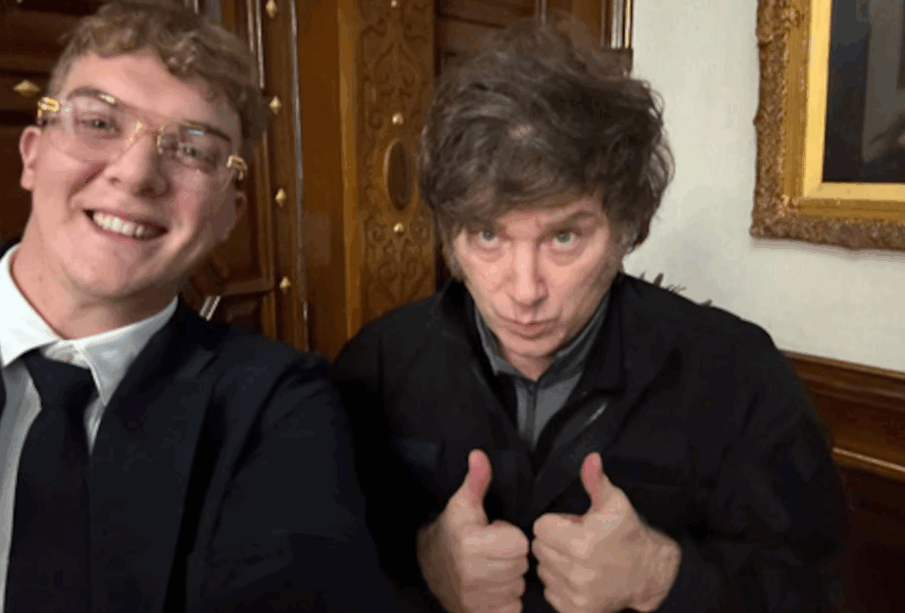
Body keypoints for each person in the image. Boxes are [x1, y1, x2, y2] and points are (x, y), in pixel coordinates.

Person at [332, 20, 849, 613]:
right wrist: (425, 562)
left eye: (564, 237)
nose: (524, 291)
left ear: (626, 228)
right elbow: (322, 570)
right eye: (487, 235)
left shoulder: (738, 376)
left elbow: (814, 591)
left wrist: (661, 576)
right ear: (450, 236)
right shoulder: (376, 366)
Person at [0, 1, 404, 611]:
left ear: (227, 218)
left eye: (193, 150)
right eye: (100, 122)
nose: (137, 173)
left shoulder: (278, 408)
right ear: (32, 154)